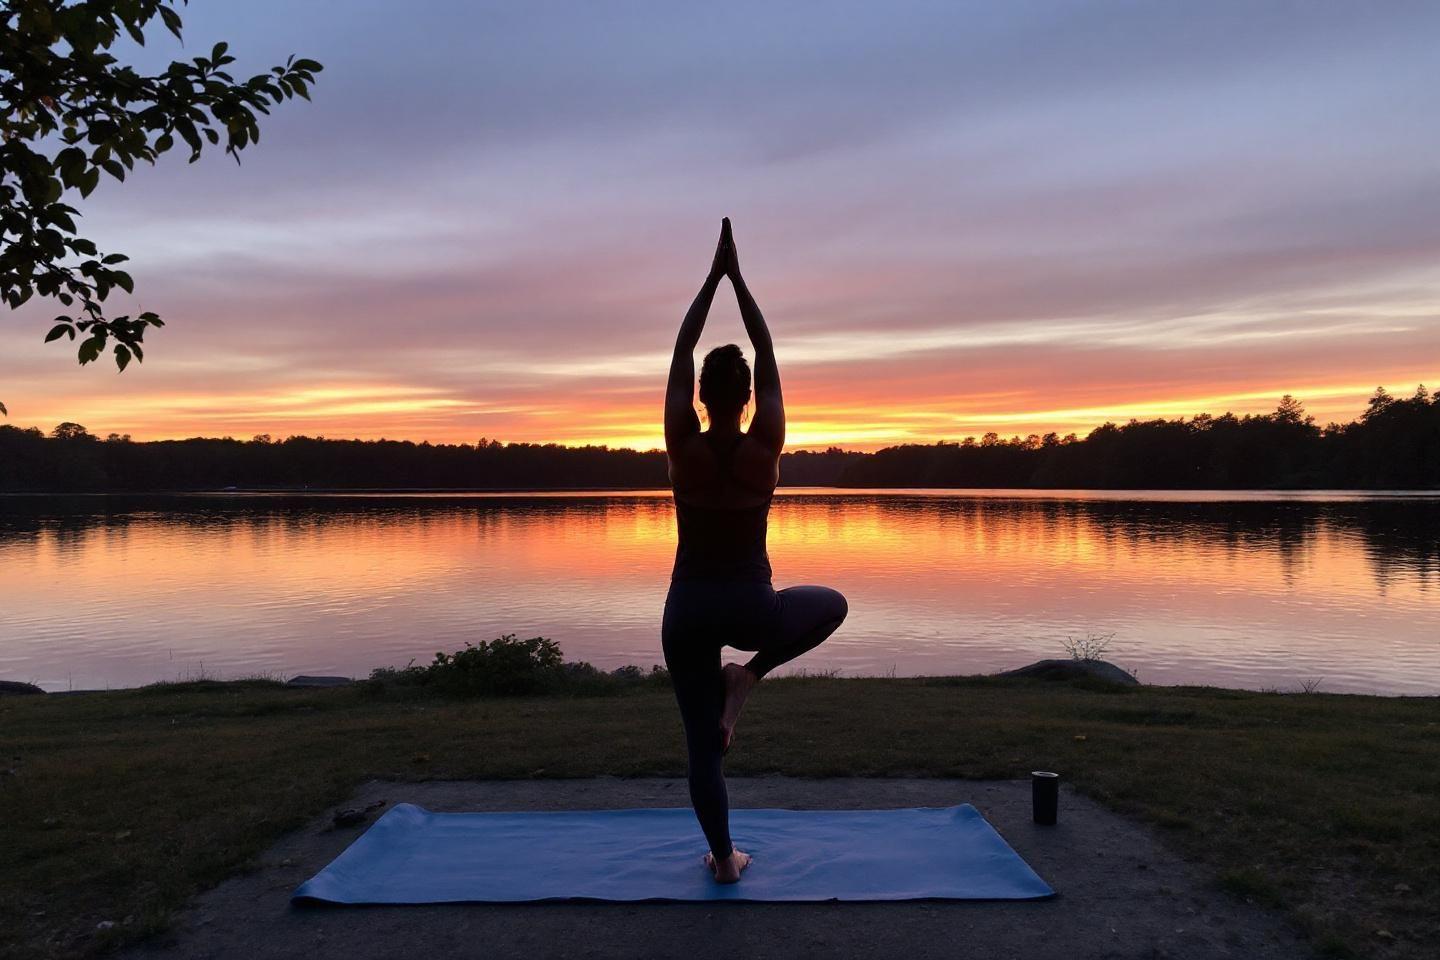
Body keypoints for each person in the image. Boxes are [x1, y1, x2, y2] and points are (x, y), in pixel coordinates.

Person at [661, 218, 849, 884]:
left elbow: (681, 352)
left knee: (700, 747)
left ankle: (722, 860)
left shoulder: (682, 447)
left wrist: (709, 281)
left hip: (686, 610)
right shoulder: (763, 447)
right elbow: (767, 355)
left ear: (699, 398)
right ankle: (750, 673)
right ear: (745, 398)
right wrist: (738, 280)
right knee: (832, 604)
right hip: (750, 609)